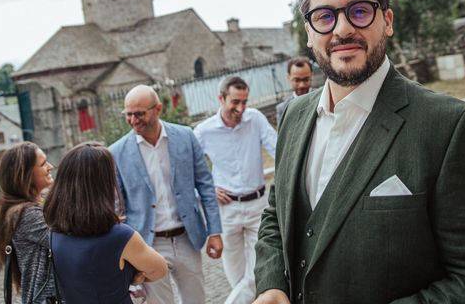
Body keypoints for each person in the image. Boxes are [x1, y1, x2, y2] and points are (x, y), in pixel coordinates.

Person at [253, 0, 465, 303]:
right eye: (325, 16)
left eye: (360, 11)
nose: (343, 28)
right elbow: (276, 214)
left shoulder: (448, 126)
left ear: (388, 20)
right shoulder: (293, 115)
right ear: (308, 32)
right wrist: (272, 284)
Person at [109, 85, 223, 304]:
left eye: (139, 114)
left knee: (196, 300)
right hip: (146, 243)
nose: (133, 120)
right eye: (128, 114)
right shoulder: (116, 152)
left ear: (158, 109)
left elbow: (205, 184)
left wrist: (215, 231)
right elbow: (117, 207)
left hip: (187, 238)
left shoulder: (185, 136)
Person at [43, 142, 168, 304]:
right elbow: (159, 270)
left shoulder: (53, 233)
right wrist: (131, 276)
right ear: (103, 184)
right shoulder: (119, 236)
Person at [194, 76, 277, 304]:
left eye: (245, 102)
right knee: (237, 278)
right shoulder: (203, 131)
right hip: (226, 211)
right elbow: (185, 168)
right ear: (221, 98)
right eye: (235, 102)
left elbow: (279, 149)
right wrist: (206, 190)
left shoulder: (256, 119)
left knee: (255, 275)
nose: (241, 108)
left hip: (258, 207)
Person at [0, 141, 56, 303]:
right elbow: (64, 240)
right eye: (43, 164)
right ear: (26, 174)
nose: (51, 166)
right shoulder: (25, 214)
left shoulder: (33, 206)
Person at [276, 57, 313, 127]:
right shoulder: (283, 109)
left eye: (306, 79)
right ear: (288, 77)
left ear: (312, 75)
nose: (301, 85)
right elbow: (283, 136)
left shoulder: (323, 98)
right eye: (297, 80)